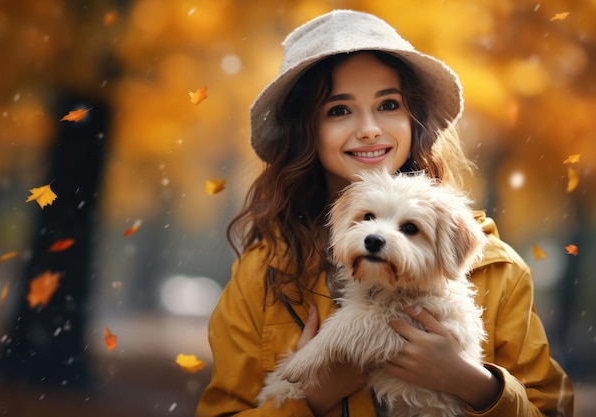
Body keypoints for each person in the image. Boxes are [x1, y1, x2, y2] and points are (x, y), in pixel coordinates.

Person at [196, 9, 574, 417]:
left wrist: (474, 384)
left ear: (414, 121)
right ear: (306, 131)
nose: (370, 129)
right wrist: (317, 397)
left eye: (389, 104)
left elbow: (550, 409)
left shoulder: (498, 270)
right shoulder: (261, 275)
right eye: (339, 110)